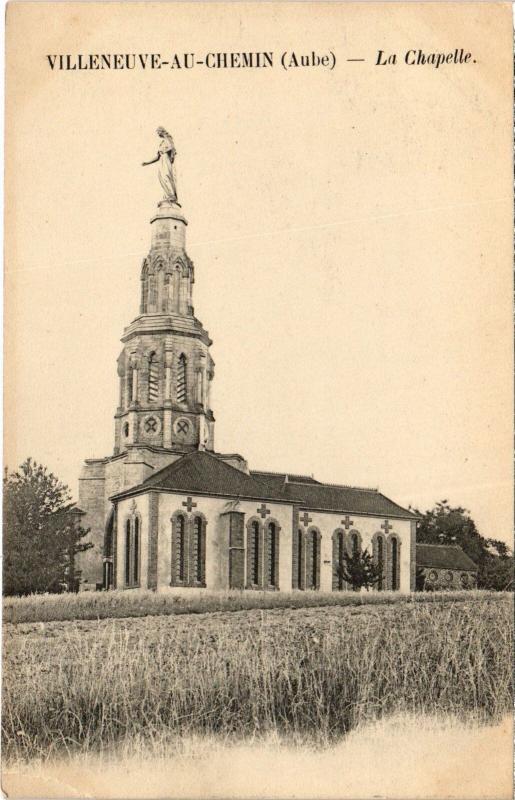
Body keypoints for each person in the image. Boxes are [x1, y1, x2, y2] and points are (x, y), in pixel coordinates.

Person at [142, 127, 179, 204]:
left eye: (158, 132)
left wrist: (171, 155)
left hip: (166, 160)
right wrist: (147, 163)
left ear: (162, 131)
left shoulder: (168, 140)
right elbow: (158, 157)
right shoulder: (161, 143)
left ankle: (171, 196)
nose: (157, 134)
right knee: (161, 177)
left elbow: (172, 149)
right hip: (162, 160)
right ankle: (167, 195)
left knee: (166, 176)